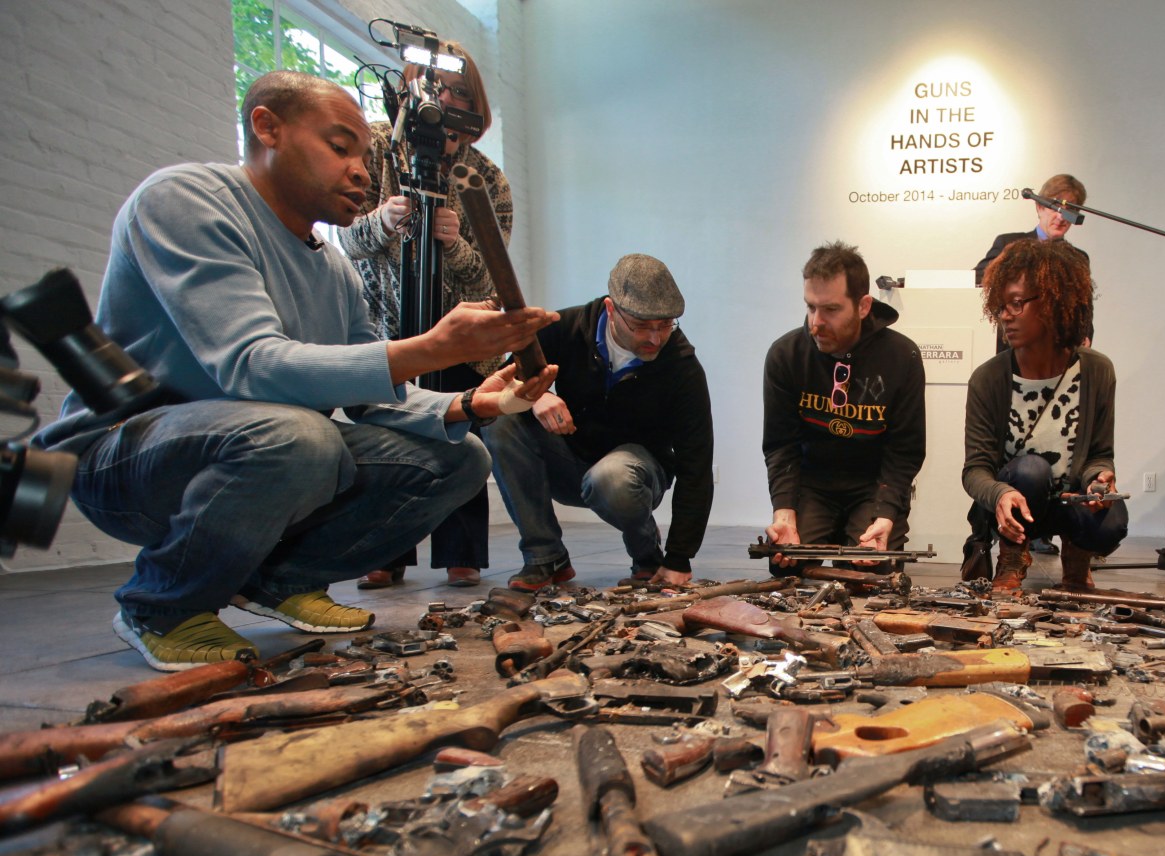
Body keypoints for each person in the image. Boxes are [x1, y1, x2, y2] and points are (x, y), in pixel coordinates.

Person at [32, 71, 557, 671]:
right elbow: (248, 363)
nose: (362, 169)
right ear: (267, 127)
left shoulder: (335, 271)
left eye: (363, 155)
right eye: (340, 148)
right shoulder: (184, 199)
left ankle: (280, 582)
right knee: (299, 437)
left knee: (461, 458)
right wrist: (431, 348)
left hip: (253, 446)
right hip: (122, 456)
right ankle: (160, 605)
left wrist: (470, 405)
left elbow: (372, 398)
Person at [336, 40, 508, 589]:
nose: (445, 99)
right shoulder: (376, 150)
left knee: (461, 429)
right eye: (435, 86)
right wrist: (382, 221)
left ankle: (462, 553)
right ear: (410, 87)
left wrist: (456, 243)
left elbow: (491, 280)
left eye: (459, 90)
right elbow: (347, 241)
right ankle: (385, 551)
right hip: (386, 327)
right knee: (388, 439)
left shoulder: (486, 179)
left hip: (460, 336)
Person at [485, 254, 713, 591]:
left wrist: (678, 558)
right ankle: (545, 556)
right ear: (610, 309)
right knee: (498, 422)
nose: (654, 338)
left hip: (634, 475)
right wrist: (535, 395)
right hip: (569, 460)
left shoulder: (681, 366)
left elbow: (697, 464)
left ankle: (646, 556)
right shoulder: (564, 328)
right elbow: (501, 383)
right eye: (641, 326)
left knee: (613, 477)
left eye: (665, 325)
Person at [964, 237, 1127, 594]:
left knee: (1111, 518)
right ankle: (1012, 559)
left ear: (1055, 304)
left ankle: (1077, 560)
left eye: (1017, 304)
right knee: (1031, 470)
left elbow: (1099, 451)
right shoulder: (989, 378)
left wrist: (1099, 478)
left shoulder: (1097, 371)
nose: (1005, 314)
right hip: (1016, 504)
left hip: (1069, 500)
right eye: (1001, 304)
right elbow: (974, 470)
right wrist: (1000, 493)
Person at [762, 242, 925, 568]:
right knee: (788, 561)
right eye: (810, 307)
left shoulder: (901, 357)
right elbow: (781, 446)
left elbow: (904, 452)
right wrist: (785, 514)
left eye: (831, 310)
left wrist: (886, 516)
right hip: (813, 485)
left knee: (871, 569)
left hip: (871, 484)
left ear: (864, 306)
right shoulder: (785, 355)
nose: (816, 323)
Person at [968, 172, 1092, 565]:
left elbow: (1083, 309)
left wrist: (1083, 337)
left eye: (1072, 211)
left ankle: (1058, 534)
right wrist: (1022, 262)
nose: (1063, 216)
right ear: (1039, 206)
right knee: (1022, 457)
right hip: (1019, 364)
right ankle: (1020, 528)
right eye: (1056, 206)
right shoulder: (1009, 245)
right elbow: (982, 278)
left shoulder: (1078, 259)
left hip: (1059, 362)